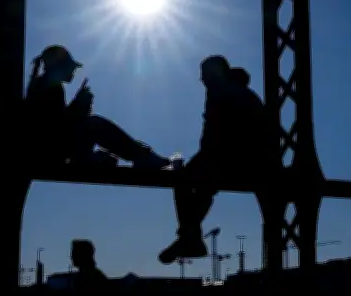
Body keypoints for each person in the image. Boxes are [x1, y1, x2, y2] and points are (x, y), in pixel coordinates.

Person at [158, 56, 269, 264]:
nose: (202, 80)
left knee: (182, 178)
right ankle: (189, 237)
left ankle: (189, 237)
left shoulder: (221, 93)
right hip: (251, 160)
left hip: (236, 159)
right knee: (201, 186)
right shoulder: (240, 92)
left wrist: (191, 164)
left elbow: (216, 138)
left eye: (204, 76)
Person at [25, 45, 172, 169]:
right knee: (95, 124)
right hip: (47, 152)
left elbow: (60, 123)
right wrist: (78, 104)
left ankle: (128, 155)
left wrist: (79, 107)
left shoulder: (45, 85)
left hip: (48, 150)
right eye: (71, 67)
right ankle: (141, 156)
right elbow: (55, 127)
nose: (73, 72)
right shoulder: (48, 87)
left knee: (96, 130)